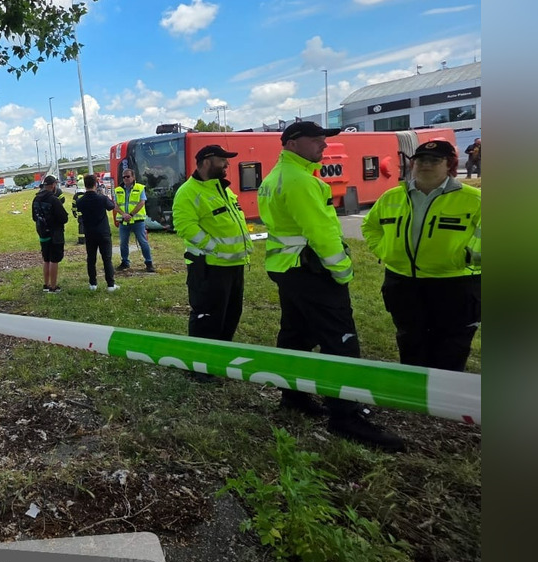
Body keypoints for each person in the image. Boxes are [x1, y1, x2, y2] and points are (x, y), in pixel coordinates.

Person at [258, 121, 404, 451]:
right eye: (317, 140)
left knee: (295, 335)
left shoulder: (279, 176)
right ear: (293, 144)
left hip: (290, 269)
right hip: (312, 272)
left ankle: (294, 397)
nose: (323, 146)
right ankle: (345, 416)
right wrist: (343, 272)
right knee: (342, 343)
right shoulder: (299, 182)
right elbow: (322, 233)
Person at [361, 140, 481, 372]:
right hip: (403, 282)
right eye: (420, 160)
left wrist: (466, 257)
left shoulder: (473, 200)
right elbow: (370, 226)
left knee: (452, 342)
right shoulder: (392, 196)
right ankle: (414, 391)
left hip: (454, 283)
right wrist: (384, 251)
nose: (426, 164)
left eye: (435, 160)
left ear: (449, 165)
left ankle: (444, 396)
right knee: (410, 337)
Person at [172, 145, 252, 381]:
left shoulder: (223, 190)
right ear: (206, 162)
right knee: (207, 317)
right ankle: (200, 367)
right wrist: (215, 248)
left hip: (233, 265)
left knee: (230, 314)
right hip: (208, 267)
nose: (227, 165)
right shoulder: (188, 192)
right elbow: (185, 226)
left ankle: (219, 360)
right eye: (222, 161)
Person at [74, 173, 118, 292]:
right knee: (107, 259)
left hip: (89, 233)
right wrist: (104, 195)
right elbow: (111, 206)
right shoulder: (101, 198)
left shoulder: (80, 201)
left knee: (91, 259)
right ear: (95, 184)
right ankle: (110, 285)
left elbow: (77, 210)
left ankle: (93, 284)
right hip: (103, 232)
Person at [113, 168, 156, 273]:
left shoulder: (140, 188)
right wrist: (124, 214)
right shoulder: (117, 190)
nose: (125, 179)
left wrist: (131, 214)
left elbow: (142, 202)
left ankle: (149, 263)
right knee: (123, 243)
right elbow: (114, 204)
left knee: (143, 242)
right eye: (124, 177)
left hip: (137, 221)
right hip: (124, 221)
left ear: (133, 177)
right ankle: (125, 262)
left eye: (128, 176)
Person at [31, 175, 69, 293]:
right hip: (55, 234)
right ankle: (53, 286)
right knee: (54, 260)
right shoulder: (54, 200)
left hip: (42, 232)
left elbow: (34, 217)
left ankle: (46, 285)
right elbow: (64, 218)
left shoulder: (36, 199)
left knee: (46, 259)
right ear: (53, 186)